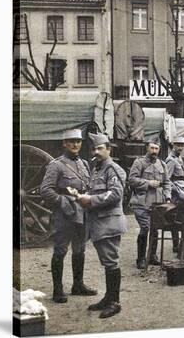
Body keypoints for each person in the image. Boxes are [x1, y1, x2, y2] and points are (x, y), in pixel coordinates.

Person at [69, 133, 127, 319]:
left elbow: (116, 194)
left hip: (109, 222)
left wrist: (90, 199)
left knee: (111, 262)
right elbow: (96, 192)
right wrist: (80, 195)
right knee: (106, 261)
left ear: (109, 149)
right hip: (99, 222)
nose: (96, 152)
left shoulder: (113, 169)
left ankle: (114, 302)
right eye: (94, 149)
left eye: (100, 148)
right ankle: (108, 298)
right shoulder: (97, 169)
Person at [40, 129, 97, 304]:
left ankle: (77, 285)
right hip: (64, 215)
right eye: (71, 141)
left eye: (78, 141)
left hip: (82, 214)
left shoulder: (84, 164)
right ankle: (58, 290)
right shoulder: (56, 165)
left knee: (80, 250)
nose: (75, 144)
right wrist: (63, 201)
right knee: (61, 250)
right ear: (64, 143)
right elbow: (45, 190)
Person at [128, 138, 172, 269]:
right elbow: (131, 180)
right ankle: (140, 259)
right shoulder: (139, 162)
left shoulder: (162, 164)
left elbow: (167, 183)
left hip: (157, 203)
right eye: (152, 148)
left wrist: (168, 197)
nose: (154, 151)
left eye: (156, 148)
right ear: (147, 148)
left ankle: (152, 256)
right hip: (141, 202)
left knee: (155, 229)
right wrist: (147, 183)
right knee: (145, 227)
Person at [165, 137, 184, 254]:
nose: (180, 147)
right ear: (173, 145)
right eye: (178, 145)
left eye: (182, 145)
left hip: (182, 193)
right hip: (176, 196)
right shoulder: (171, 160)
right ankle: (176, 246)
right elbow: (167, 180)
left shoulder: (178, 158)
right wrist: (177, 191)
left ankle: (181, 245)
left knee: (182, 219)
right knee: (176, 221)